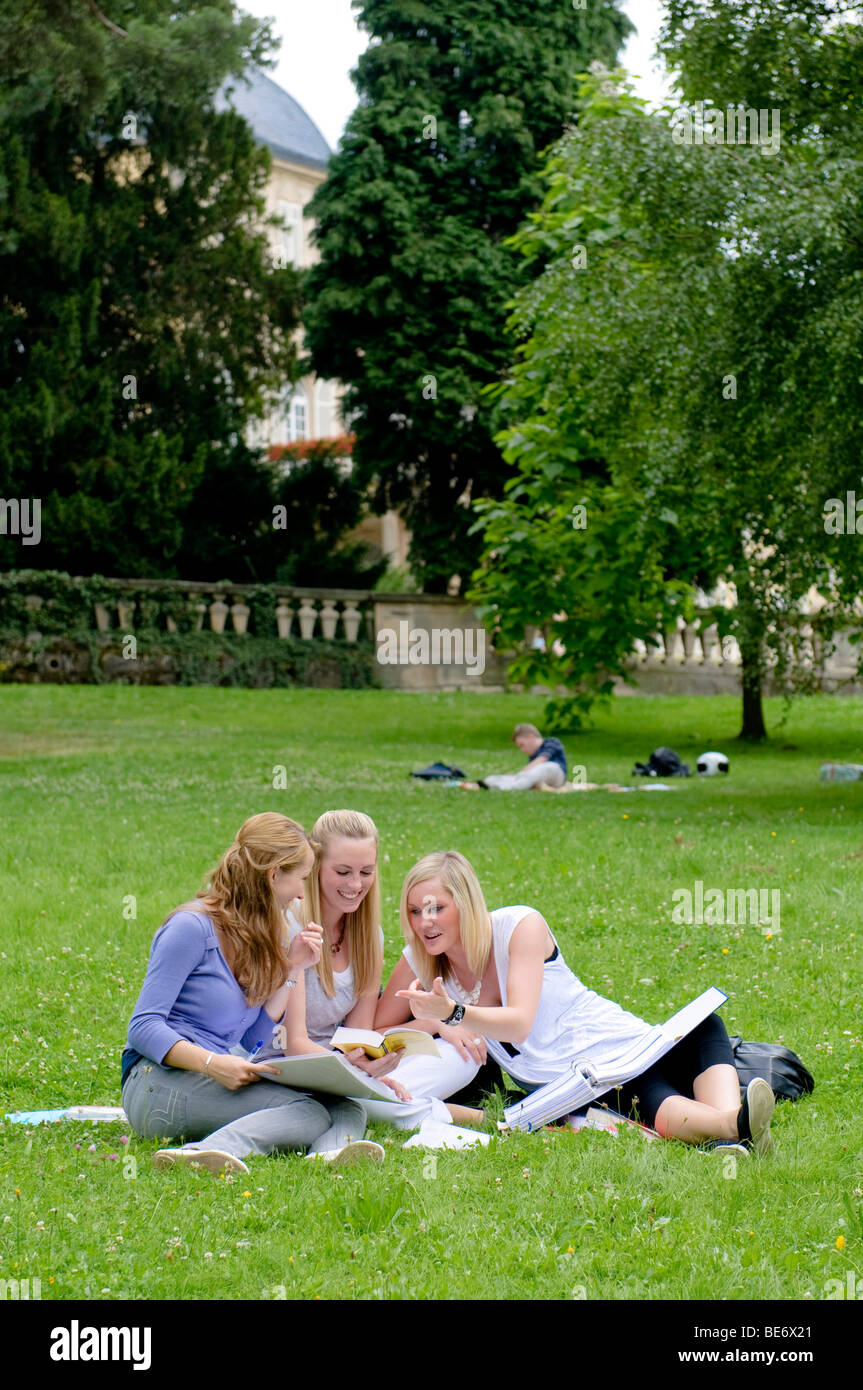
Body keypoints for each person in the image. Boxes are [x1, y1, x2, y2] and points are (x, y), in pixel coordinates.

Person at [389, 850, 775, 1154]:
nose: (425, 922)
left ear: (467, 904)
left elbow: (518, 1021)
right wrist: (440, 1024)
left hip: (621, 1040)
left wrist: (452, 1014)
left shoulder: (520, 926)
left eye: (437, 908)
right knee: (644, 1093)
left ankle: (729, 1131)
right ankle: (732, 1128)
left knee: (703, 1027)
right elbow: (371, 1029)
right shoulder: (420, 958)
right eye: (414, 911)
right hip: (574, 1079)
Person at [122, 813, 377, 1176]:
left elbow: (251, 1037)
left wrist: (292, 970)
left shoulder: (258, 933)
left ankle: (326, 1158)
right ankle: (207, 1152)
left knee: (348, 1107)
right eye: (302, 878)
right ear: (274, 875)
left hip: (208, 1078)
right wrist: (212, 1064)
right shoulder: (190, 928)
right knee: (308, 1113)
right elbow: (143, 1026)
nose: (305, 892)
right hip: (156, 1085)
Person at [267, 809, 483, 1130]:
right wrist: (355, 1072)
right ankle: (456, 1114)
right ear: (315, 868)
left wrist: (377, 1061)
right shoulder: (293, 926)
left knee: (461, 1055)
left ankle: (384, 1100)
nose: (356, 885)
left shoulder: (369, 936)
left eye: (366, 872)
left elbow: (360, 1035)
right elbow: (294, 1045)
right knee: (374, 1102)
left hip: (344, 1062)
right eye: (342, 872)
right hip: (295, 1066)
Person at [479, 723, 567, 791]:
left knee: (545, 767)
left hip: (556, 775)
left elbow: (542, 760)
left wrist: (520, 774)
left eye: (522, 745)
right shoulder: (533, 756)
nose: (522, 749)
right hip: (541, 779)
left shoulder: (551, 742)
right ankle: (490, 782)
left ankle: (504, 787)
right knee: (494, 778)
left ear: (531, 737)